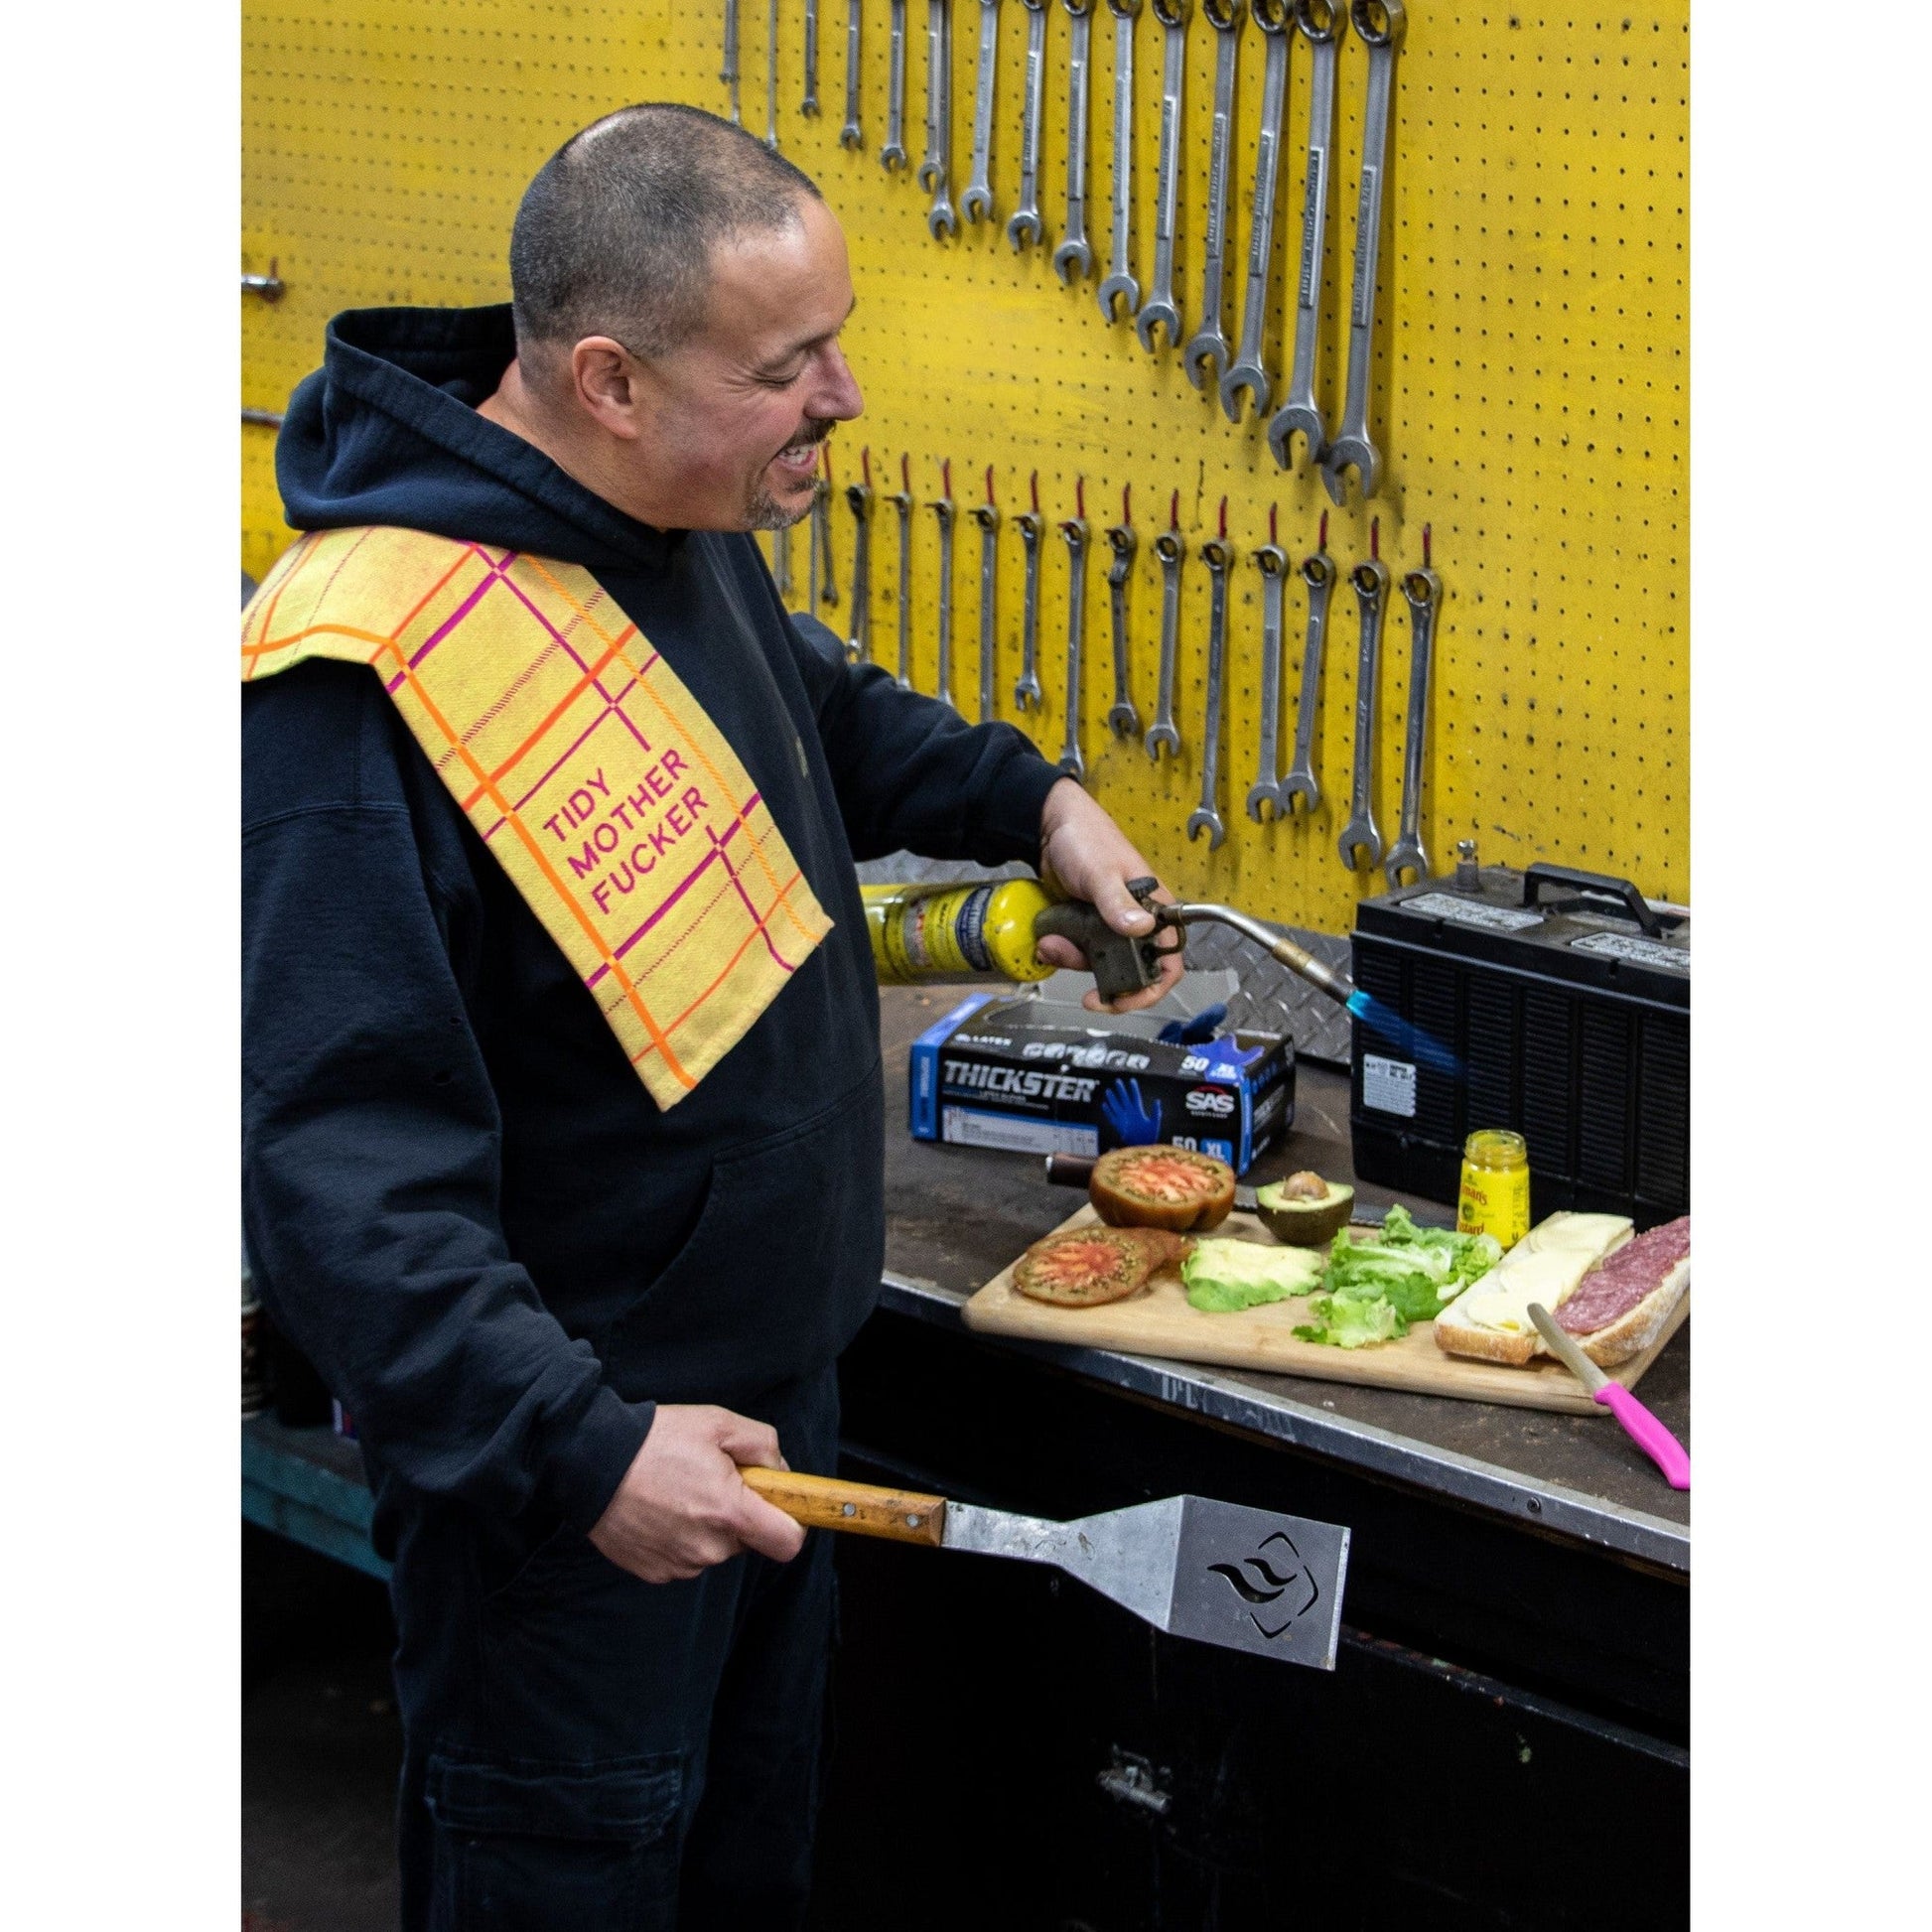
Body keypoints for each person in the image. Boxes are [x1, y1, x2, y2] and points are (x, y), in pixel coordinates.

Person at [241, 101, 1180, 1930]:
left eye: (834, 338)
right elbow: (344, 1178)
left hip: (771, 1411)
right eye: (789, 364)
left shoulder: (664, 507)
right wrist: (581, 1454)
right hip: (575, 1504)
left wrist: (1029, 800)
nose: (840, 396)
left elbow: (807, 703)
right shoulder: (361, 678)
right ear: (604, 374)